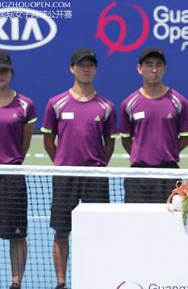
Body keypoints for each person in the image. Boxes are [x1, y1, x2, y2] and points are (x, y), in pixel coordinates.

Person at [41, 48, 117, 289]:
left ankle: (98, 279)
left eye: (90, 65)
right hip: (65, 176)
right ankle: (62, 283)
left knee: (99, 232)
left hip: (95, 177)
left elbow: (110, 141)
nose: (86, 68)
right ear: (72, 68)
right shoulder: (56, 103)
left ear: (95, 69)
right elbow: (48, 139)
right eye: (81, 64)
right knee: (61, 231)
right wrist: (62, 161)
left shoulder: (106, 106)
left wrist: (98, 164)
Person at [120, 47, 188, 202]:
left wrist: (167, 152)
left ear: (165, 68)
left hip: (169, 173)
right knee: (136, 223)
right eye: (148, 64)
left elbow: (185, 137)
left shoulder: (179, 102)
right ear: (139, 68)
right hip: (138, 175)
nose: (154, 70)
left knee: (169, 223)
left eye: (158, 65)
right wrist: (142, 153)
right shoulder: (129, 103)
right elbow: (126, 139)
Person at [0, 50, 37, 289]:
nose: (0, 75)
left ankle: (16, 282)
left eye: (3, 70)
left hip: (11, 176)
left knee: (17, 234)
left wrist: (12, 161)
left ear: (11, 72)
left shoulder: (25, 105)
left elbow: (24, 143)